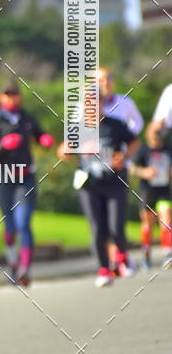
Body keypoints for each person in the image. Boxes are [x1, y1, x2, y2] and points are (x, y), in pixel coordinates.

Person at [0, 81, 55, 287]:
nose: (11, 98)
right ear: (0, 97)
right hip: (4, 177)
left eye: (15, 94)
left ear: (20, 97)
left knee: (24, 223)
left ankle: (25, 269)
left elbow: (41, 135)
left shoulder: (26, 118)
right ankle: (13, 264)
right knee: (10, 226)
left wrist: (45, 140)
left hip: (26, 176)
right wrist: (2, 145)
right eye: (7, 95)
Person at [58, 93, 139, 288]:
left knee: (115, 226)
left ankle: (122, 255)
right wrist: (73, 149)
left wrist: (124, 156)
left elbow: (135, 142)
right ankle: (103, 269)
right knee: (97, 229)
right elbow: (62, 152)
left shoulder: (115, 124)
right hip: (89, 185)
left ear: (102, 104)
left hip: (115, 182)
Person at [98, 67, 144, 274]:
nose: (105, 82)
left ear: (113, 81)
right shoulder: (85, 106)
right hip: (94, 171)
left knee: (116, 218)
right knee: (100, 221)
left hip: (118, 166)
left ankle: (120, 256)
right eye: (100, 80)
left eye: (108, 78)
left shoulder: (125, 103)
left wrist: (124, 147)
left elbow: (138, 124)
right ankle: (112, 262)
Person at [129, 128, 172, 270]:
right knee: (148, 223)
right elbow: (132, 168)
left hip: (164, 190)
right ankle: (146, 253)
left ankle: (168, 253)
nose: (155, 141)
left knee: (166, 220)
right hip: (147, 190)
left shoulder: (168, 149)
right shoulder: (143, 149)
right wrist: (145, 172)